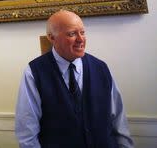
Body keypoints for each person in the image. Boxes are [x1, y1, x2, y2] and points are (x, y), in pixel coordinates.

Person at [15, 10, 133, 147]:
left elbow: (119, 122)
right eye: (72, 34)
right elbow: (27, 131)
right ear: (52, 37)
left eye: (82, 32)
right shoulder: (34, 72)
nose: (80, 39)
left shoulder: (101, 68)